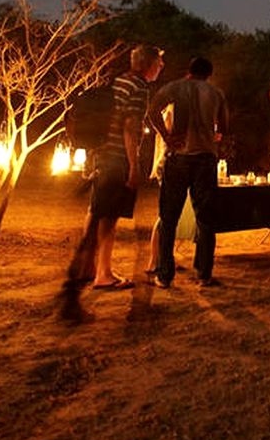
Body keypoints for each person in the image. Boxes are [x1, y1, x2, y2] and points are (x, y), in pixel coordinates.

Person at [61, 45, 163, 320]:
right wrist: (133, 166)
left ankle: (93, 269)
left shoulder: (117, 82)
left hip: (99, 155)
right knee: (109, 217)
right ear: (149, 64)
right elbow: (130, 127)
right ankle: (101, 274)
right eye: (159, 64)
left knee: (96, 212)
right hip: (117, 158)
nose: (161, 68)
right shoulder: (139, 87)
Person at [149, 56, 229, 288]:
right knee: (205, 219)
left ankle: (165, 275)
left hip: (179, 156)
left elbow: (153, 110)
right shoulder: (215, 93)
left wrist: (166, 136)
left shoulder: (175, 87)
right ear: (209, 74)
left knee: (169, 218)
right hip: (205, 158)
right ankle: (204, 274)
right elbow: (223, 125)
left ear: (189, 71)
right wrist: (215, 137)